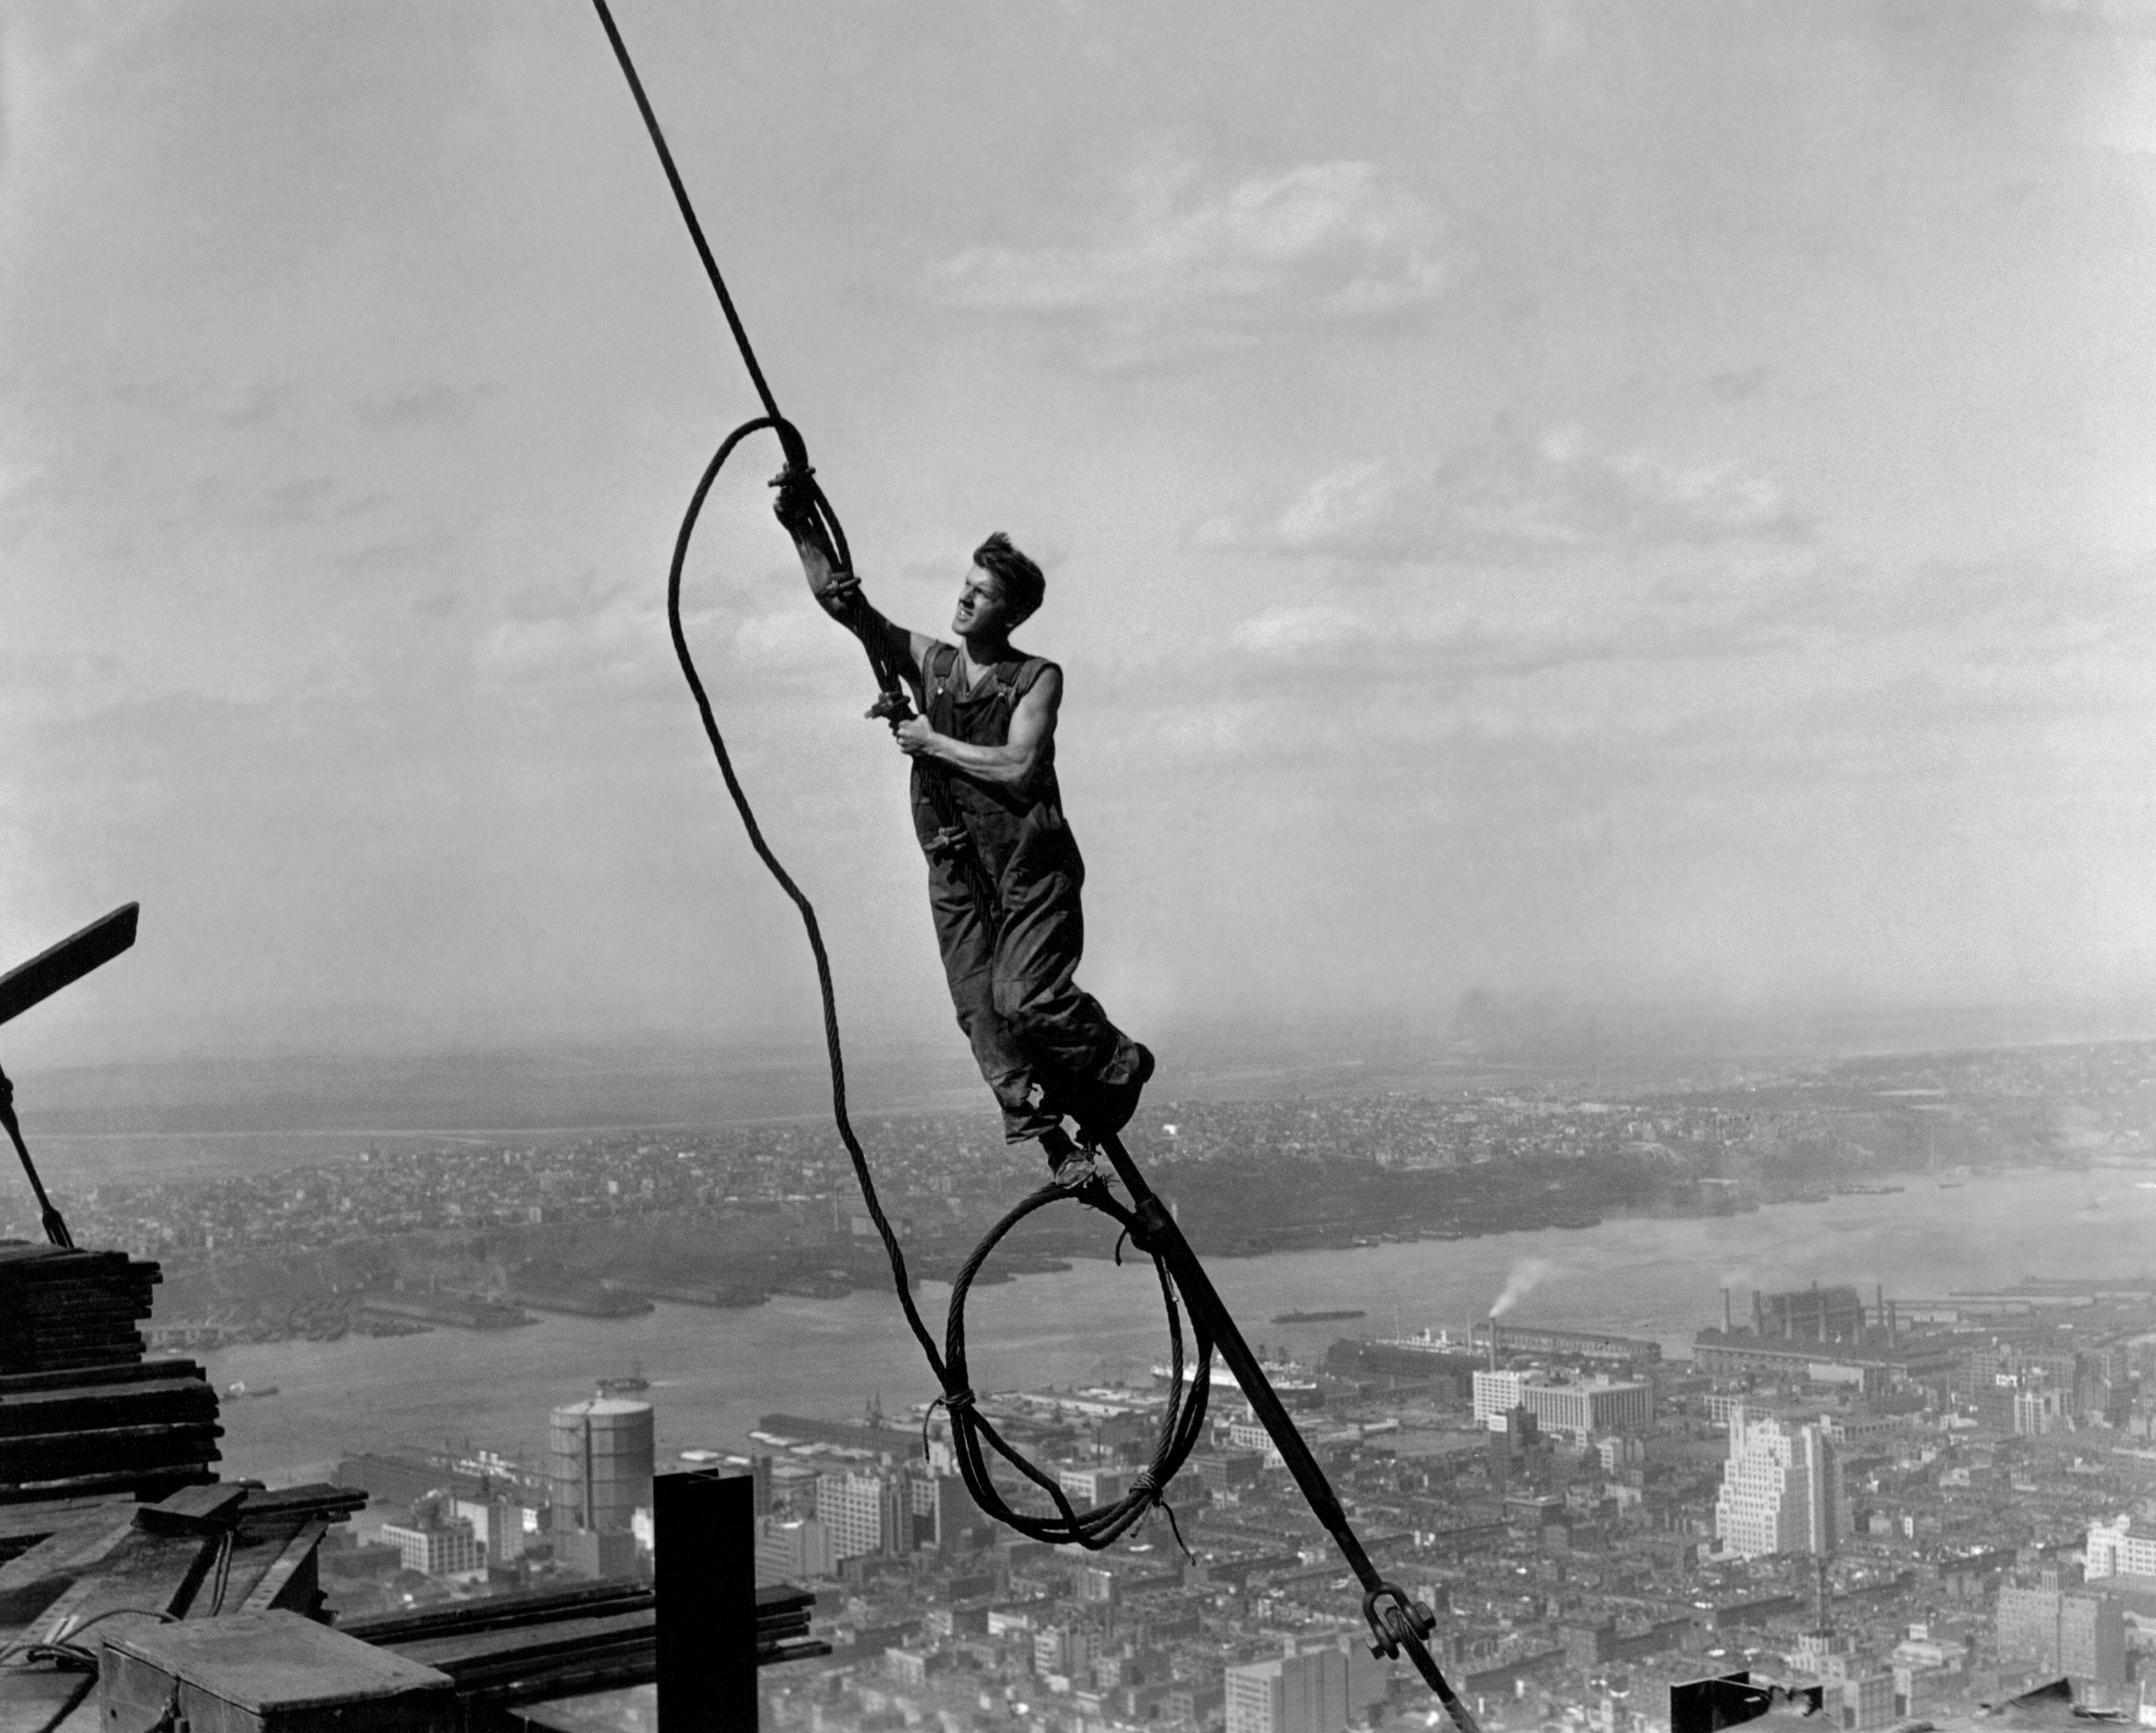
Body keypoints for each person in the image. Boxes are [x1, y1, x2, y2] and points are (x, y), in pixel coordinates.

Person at [775, 480, 1152, 1184]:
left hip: (1029, 868)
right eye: (967, 584)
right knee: (983, 1013)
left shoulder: (1035, 678)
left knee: (1027, 999)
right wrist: (799, 525)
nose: (966, 599)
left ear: (1011, 611)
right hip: (955, 862)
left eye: (984, 592)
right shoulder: (935, 666)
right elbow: (848, 609)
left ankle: (1118, 1066)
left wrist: (929, 741)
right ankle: (1055, 1148)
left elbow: (1017, 765)